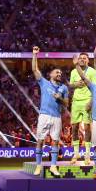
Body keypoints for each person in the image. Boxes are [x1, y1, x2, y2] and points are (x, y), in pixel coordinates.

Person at [31, 46, 68, 178]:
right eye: (56, 73)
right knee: (40, 140)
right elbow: (35, 69)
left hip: (57, 117)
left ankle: (53, 166)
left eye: (60, 73)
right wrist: (35, 55)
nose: (59, 74)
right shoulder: (44, 83)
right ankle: (38, 165)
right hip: (44, 115)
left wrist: (60, 98)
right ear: (51, 75)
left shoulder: (64, 88)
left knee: (56, 141)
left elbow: (66, 104)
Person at [68, 51, 96, 165]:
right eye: (80, 58)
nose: (82, 60)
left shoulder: (93, 72)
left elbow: (95, 88)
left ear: (88, 60)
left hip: (87, 100)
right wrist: (76, 84)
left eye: (85, 58)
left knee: (87, 128)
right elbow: (70, 85)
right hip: (76, 102)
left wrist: (91, 102)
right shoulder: (73, 71)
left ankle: (87, 155)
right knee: (74, 127)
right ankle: (76, 154)